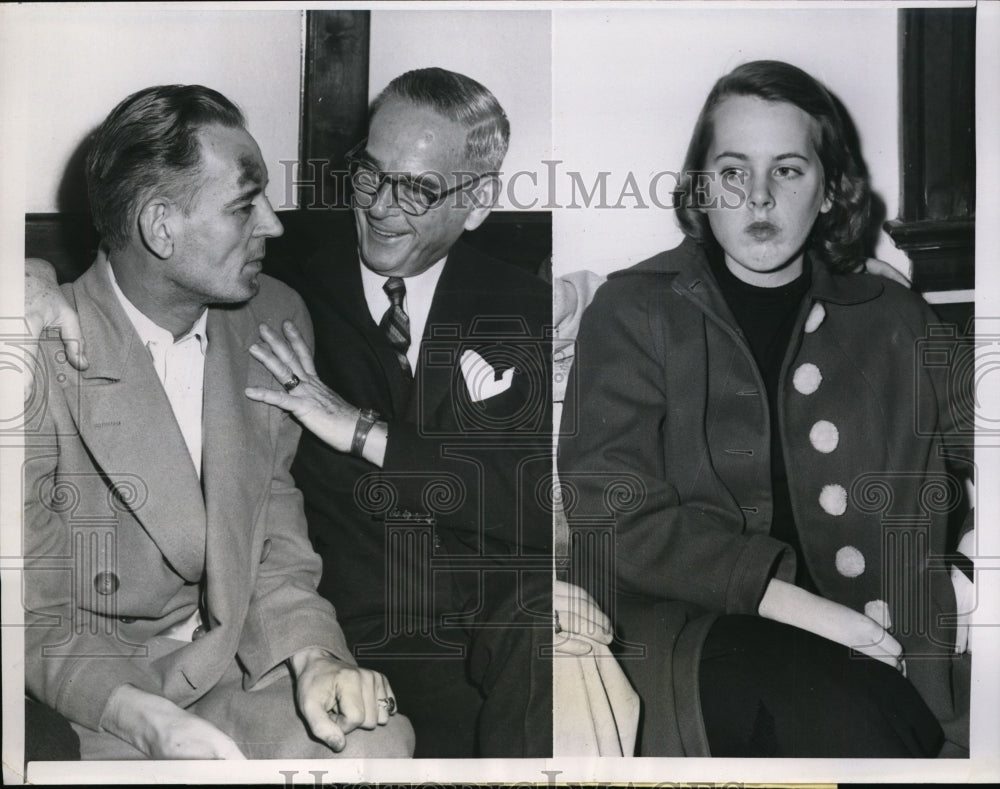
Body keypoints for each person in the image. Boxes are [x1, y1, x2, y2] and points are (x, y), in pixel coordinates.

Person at [26, 68, 553, 758]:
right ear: (160, 227)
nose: (274, 225)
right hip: (92, 693)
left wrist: (313, 657)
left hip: (245, 661)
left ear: (477, 200)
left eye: (419, 189)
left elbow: (273, 539)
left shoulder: (270, 317)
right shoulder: (37, 350)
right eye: (245, 207)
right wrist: (26, 270)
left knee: (371, 744)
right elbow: (31, 614)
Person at [558, 60, 973, 758]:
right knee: (850, 720)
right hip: (693, 628)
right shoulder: (634, 309)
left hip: (888, 635)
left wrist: (965, 579)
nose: (757, 196)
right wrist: (788, 601)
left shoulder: (892, 314)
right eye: (732, 170)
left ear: (830, 189)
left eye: (787, 170)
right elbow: (612, 508)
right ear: (700, 185)